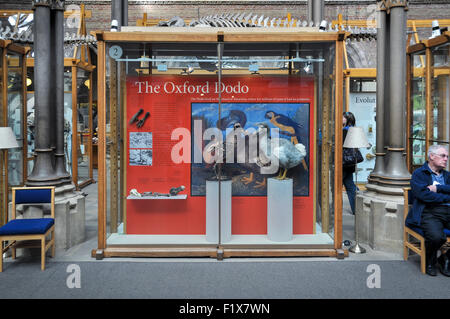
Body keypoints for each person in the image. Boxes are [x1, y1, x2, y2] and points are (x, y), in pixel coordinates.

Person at [406, 144, 450, 276]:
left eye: (447, 156)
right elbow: (423, 195)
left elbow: (432, 193)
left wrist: (438, 189)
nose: (446, 159)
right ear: (431, 156)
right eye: (443, 156)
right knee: (436, 237)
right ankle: (430, 261)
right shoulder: (419, 174)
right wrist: (446, 198)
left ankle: (444, 258)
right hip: (429, 212)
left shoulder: (447, 175)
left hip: (447, 211)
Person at [343, 111, 357, 215]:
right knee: (350, 186)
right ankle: (356, 209)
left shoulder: (345, 131)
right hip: (350, 163)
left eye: (343, 117)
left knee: (335, 187)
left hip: (343, 163)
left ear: (347, 119)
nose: (341, 119)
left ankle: (333, 210)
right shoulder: (353, 130)